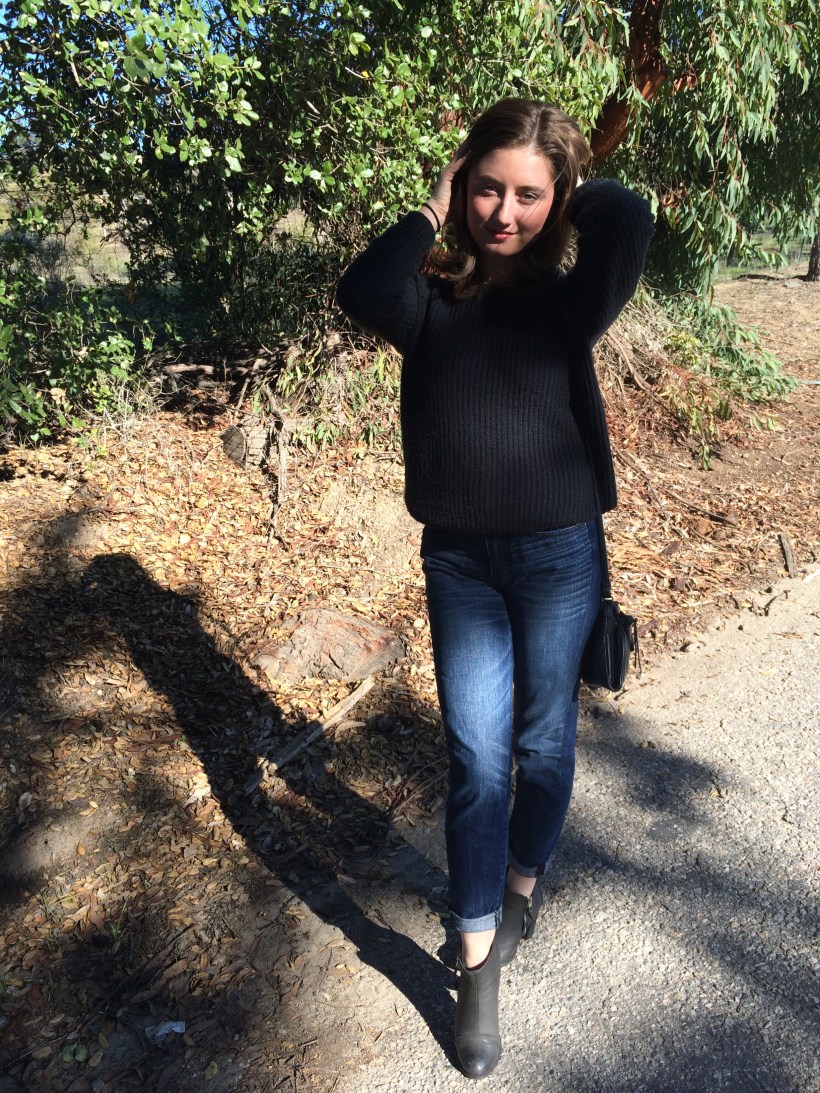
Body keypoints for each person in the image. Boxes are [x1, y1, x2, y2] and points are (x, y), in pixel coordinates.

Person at [336, 98, 654, 1079]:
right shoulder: (428, 299)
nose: (501, 211)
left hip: (560, 554)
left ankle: (518, 892)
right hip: (461, 562)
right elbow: (360, 287)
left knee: (542, 743)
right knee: (477, 760)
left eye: (525, 194)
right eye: (486, 187)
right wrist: (432, 209)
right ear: (461, 182)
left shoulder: (568, 299)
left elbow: (628, 216)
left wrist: (567, 176)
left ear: (551, 200)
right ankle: (477, 964)